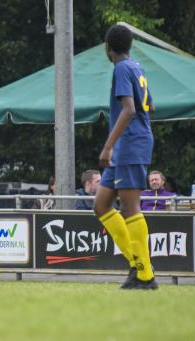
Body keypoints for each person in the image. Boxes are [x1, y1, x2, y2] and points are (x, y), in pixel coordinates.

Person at [93, 25, 157, 290]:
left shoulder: (121, 68)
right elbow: (149, 105)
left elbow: (130, 109)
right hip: (129, 144)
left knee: (130, 208)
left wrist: (109, 146)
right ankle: (136, 263)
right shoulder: (136, 66)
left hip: (129, 145)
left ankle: (145, 275)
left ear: (108, 49)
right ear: (128, 46)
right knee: (101, 205)